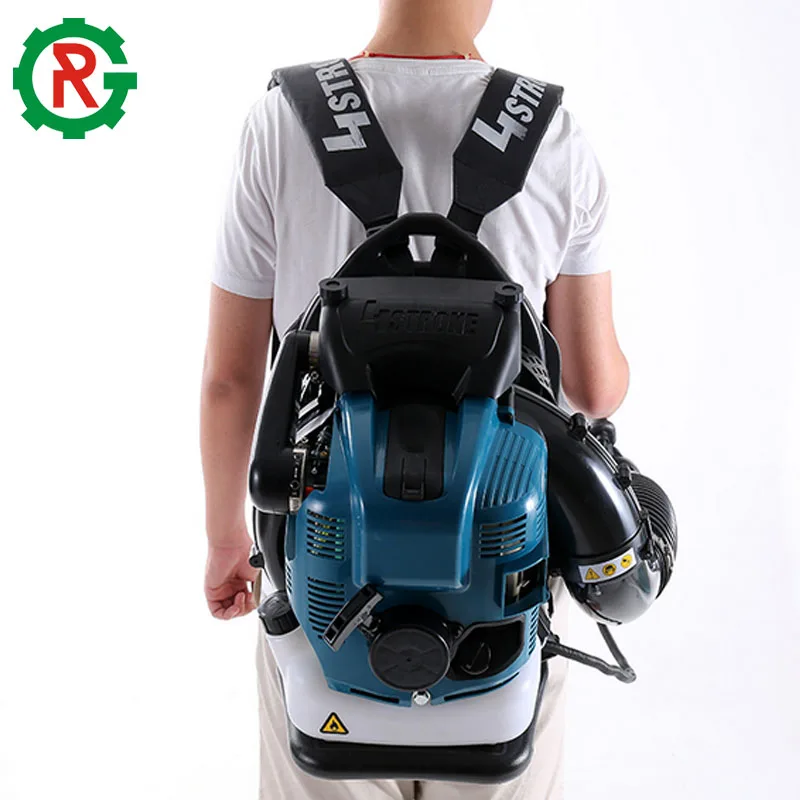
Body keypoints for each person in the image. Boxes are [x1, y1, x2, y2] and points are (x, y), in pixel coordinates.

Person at [200, 1, 630, 797]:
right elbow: (594, 388)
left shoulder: (280, 120)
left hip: (321, 568)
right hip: (503, 578)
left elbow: (232, 377)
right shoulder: (553, 134)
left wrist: (229, 541)